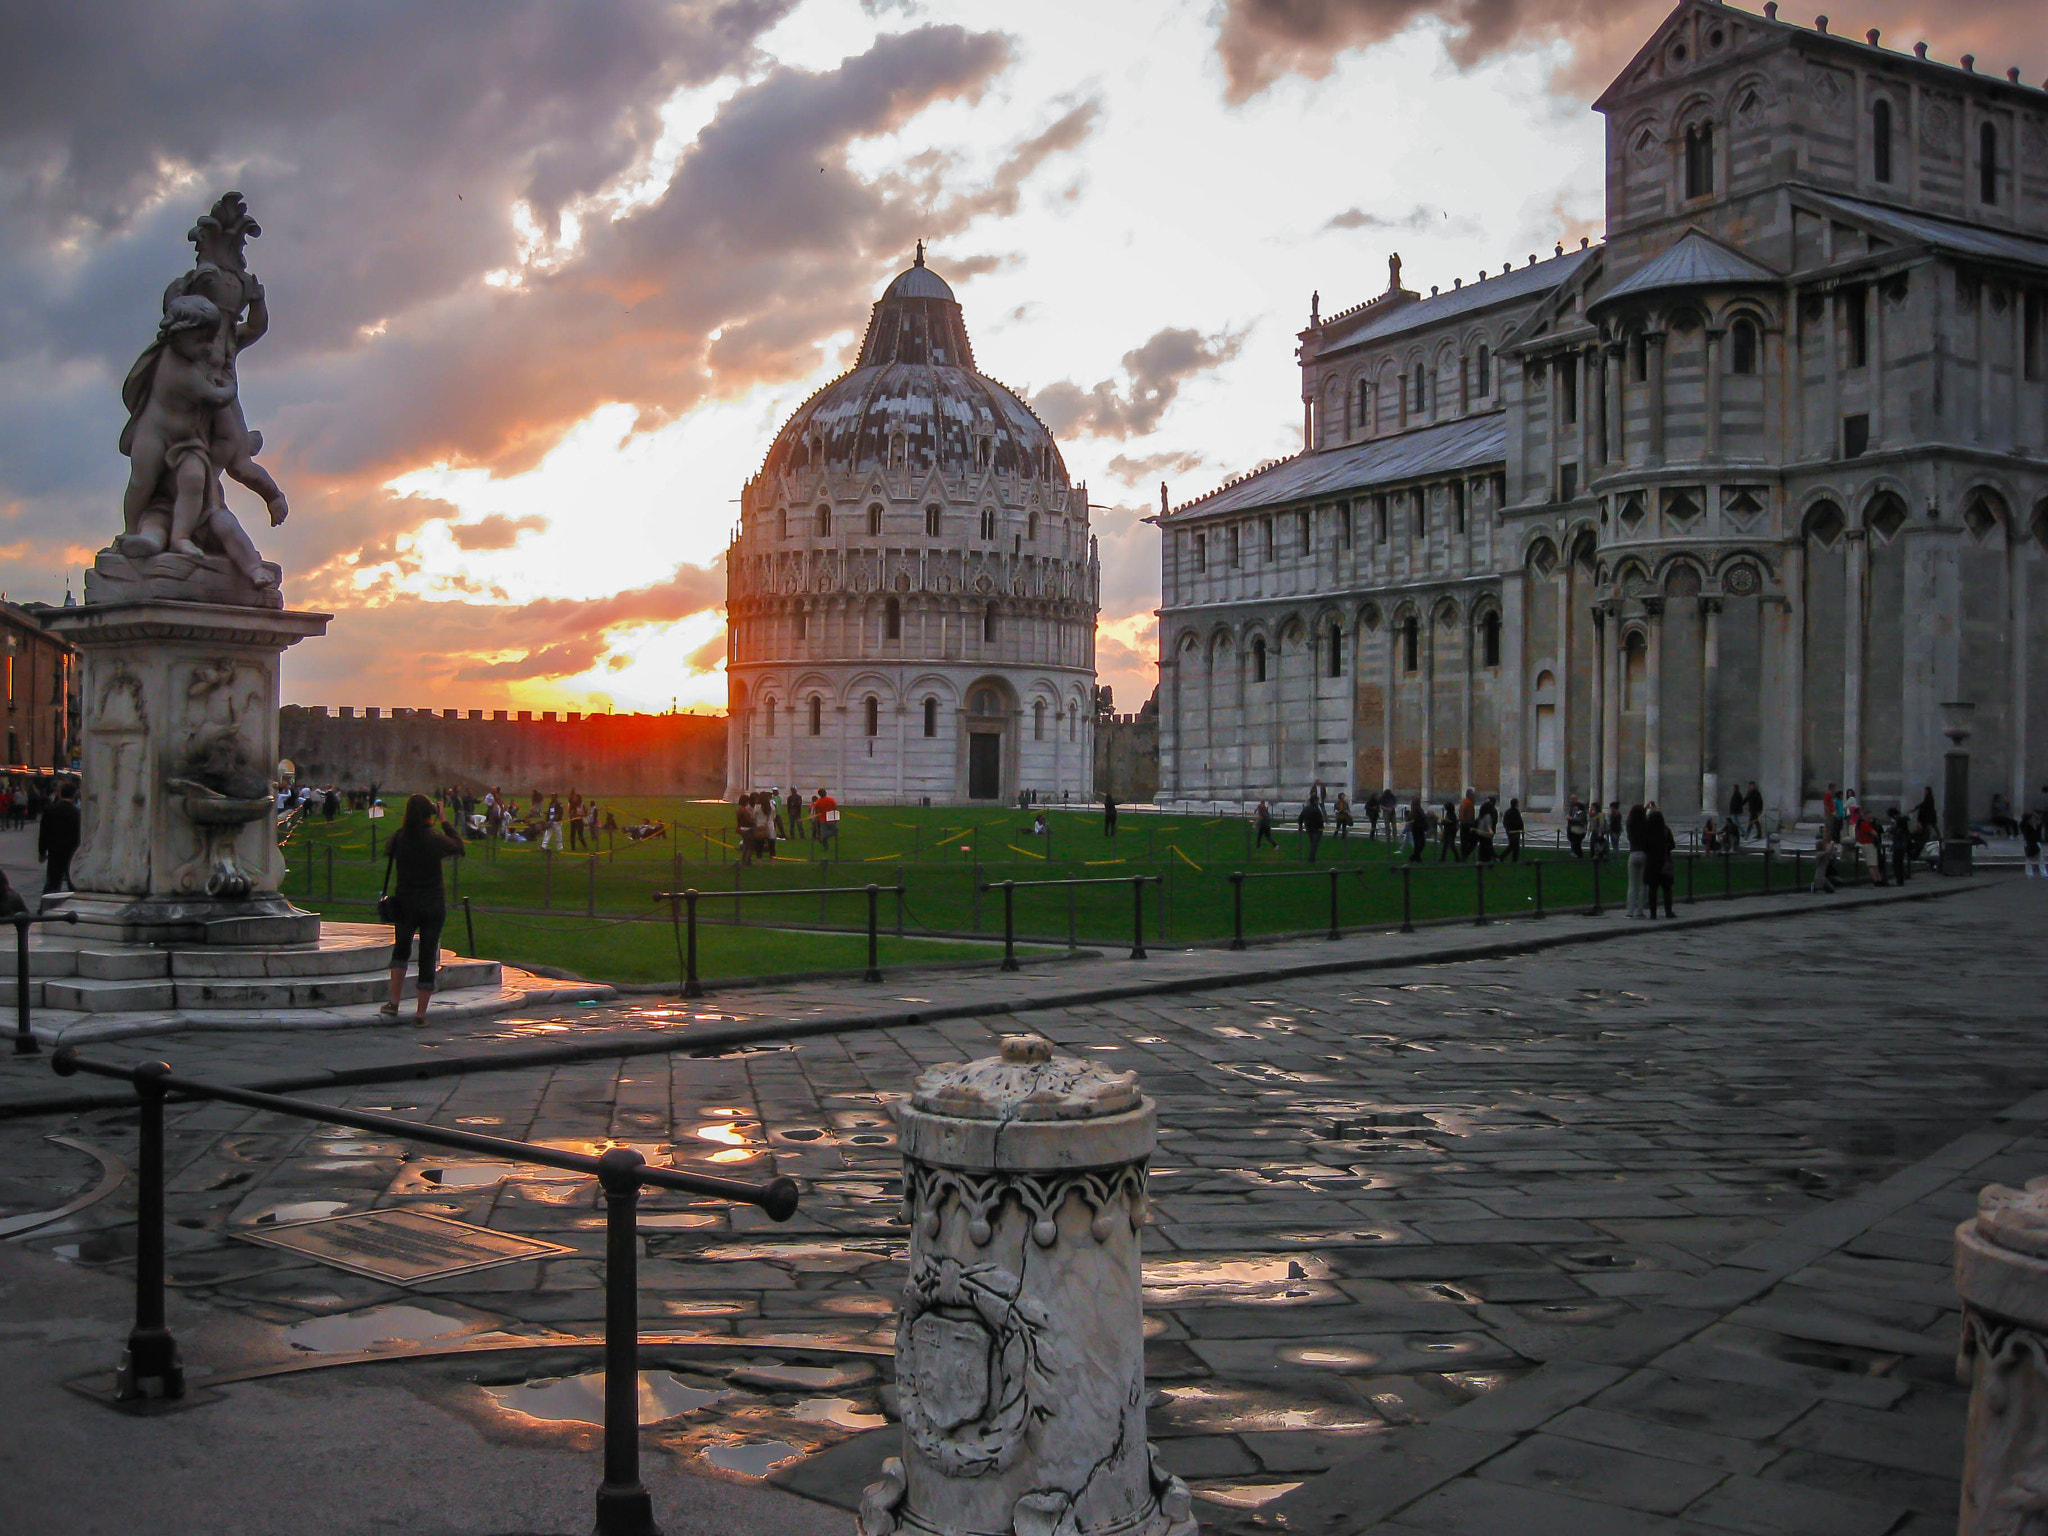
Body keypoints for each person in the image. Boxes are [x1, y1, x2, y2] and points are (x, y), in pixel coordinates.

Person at [379, 794, 463, 1024]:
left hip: (406, 901)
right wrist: (445, 820)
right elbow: (458, 847)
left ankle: (394, 1003)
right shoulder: (434, 839)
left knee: (401, 951)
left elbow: (390, 850)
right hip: (433, 902)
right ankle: (420, 1014)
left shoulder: (398, 839)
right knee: (427, 955)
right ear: (429, 815)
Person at [37, 781, 80, 899]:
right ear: (74, 794)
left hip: (55, 851)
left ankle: (47, 907)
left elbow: (44, 832)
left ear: (60, 794)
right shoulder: (77, 813)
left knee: (52, 883)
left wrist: (42, 851)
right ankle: (75, 904)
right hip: (72, 852)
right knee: (73, 882)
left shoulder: (50, 810)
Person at [1645, 805, 1677, 917]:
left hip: (1652, 863)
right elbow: (1672, 845)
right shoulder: (1666, 831)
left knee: (1652, 889)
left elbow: (1645, 846)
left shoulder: (1648, 831)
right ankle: (1668, 911)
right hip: (1664, 861)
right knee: (1667, 889)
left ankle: (1653, 913)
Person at [1625, 803, 1650, 918]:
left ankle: (1630, 911)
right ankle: (1640, 910)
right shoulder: (1646, 824)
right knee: (1643, 884)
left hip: (1633, 853)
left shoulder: (1630, 824)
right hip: (1644, 853)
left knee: (1632, 884)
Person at [1890, 808, 1915, 887]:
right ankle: (1900, 879)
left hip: (1898, 847)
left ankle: (1899, 880)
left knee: (1897, 863)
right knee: (1900, 863)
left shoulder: (1899, 830)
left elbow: (1896, 838)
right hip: (1902, 846)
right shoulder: (1903, 829)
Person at [1299, 792, 1325, 864]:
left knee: (1312, 843)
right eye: (1317, 800)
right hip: (1317, 829)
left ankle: (1312, 859)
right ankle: (1311, 859)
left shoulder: (1306, 808)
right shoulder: (1316, 809)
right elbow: (1320, 820)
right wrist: (1321, 827)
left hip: (1309, 828)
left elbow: (1300, 818)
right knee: (1314, 845)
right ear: (1315, 801)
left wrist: (1300, 826)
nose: (1318, 802)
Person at [1811, 825, 1838, 893]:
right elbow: (1827, 852)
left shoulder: (1824, 855)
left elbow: (1832, 858)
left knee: (1832, 888)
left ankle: (1817, 887)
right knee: (1829, 889)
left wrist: (1833, 852)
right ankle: (1815, 886)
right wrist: (1831, 844)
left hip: (1824, 874)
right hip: (1820, 876)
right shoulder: (1819, 854)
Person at [813, 787, 839, 853]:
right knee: (834, 831)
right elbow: (835, 808)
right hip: (831, 819)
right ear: (825, 793)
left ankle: (825, 847)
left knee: (824, 833)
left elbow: (817, 812)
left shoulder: (818, 802)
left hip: (822, 820)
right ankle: (823, 837)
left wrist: (817, 819)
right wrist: (836, 818)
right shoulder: (831, 800)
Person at [1456, 789, 1478, 862]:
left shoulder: (1463, 802)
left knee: (1464, 841)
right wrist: (1472, 824)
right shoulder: (1469, 803)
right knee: (1473, 840)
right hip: (1467, 824)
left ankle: (1463, 856)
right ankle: (1465, 855)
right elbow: (1470, 816)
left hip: (1463, 823)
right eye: (1474, 795)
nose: (1475, 796)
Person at [1475, 796, 1498, 863]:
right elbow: (1490, 823)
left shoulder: (1483, 815)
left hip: (1482, 832)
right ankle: (1490, 858)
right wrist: (1491, 830)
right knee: (1487, 846)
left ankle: (1484, 858)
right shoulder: (1490, 813)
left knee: (1484, 846)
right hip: (1487, 833)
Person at [1407, 795, 1428, 863]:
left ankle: (1416, 857)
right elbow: (1420, 818)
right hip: (1417, 828)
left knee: (1420, 844)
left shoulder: (1418, 810)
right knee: (1419, 844)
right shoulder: (1416, 811)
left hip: (1419, 828)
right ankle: (1414, 857)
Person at [2024, 812, 2045, 878]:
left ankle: (2043, 873)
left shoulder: (2037, 825)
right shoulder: (2027, 826)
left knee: (2040, 859)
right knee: (2029, 859)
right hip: (2030, 843)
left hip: (2036, 842)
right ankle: (2029, 873)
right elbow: (2027, 836)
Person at [1503, 797, 1524, 862]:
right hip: (1515, 831)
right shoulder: (1516, 812)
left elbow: (1505, 822)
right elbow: (1519, 821)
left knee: (1513, 845)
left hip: (1510, 831)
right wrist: (1521, 828)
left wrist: (1507, 829)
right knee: (1514, 846)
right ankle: (1505, 857)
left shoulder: (1508, 812)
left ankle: (1512, 859)